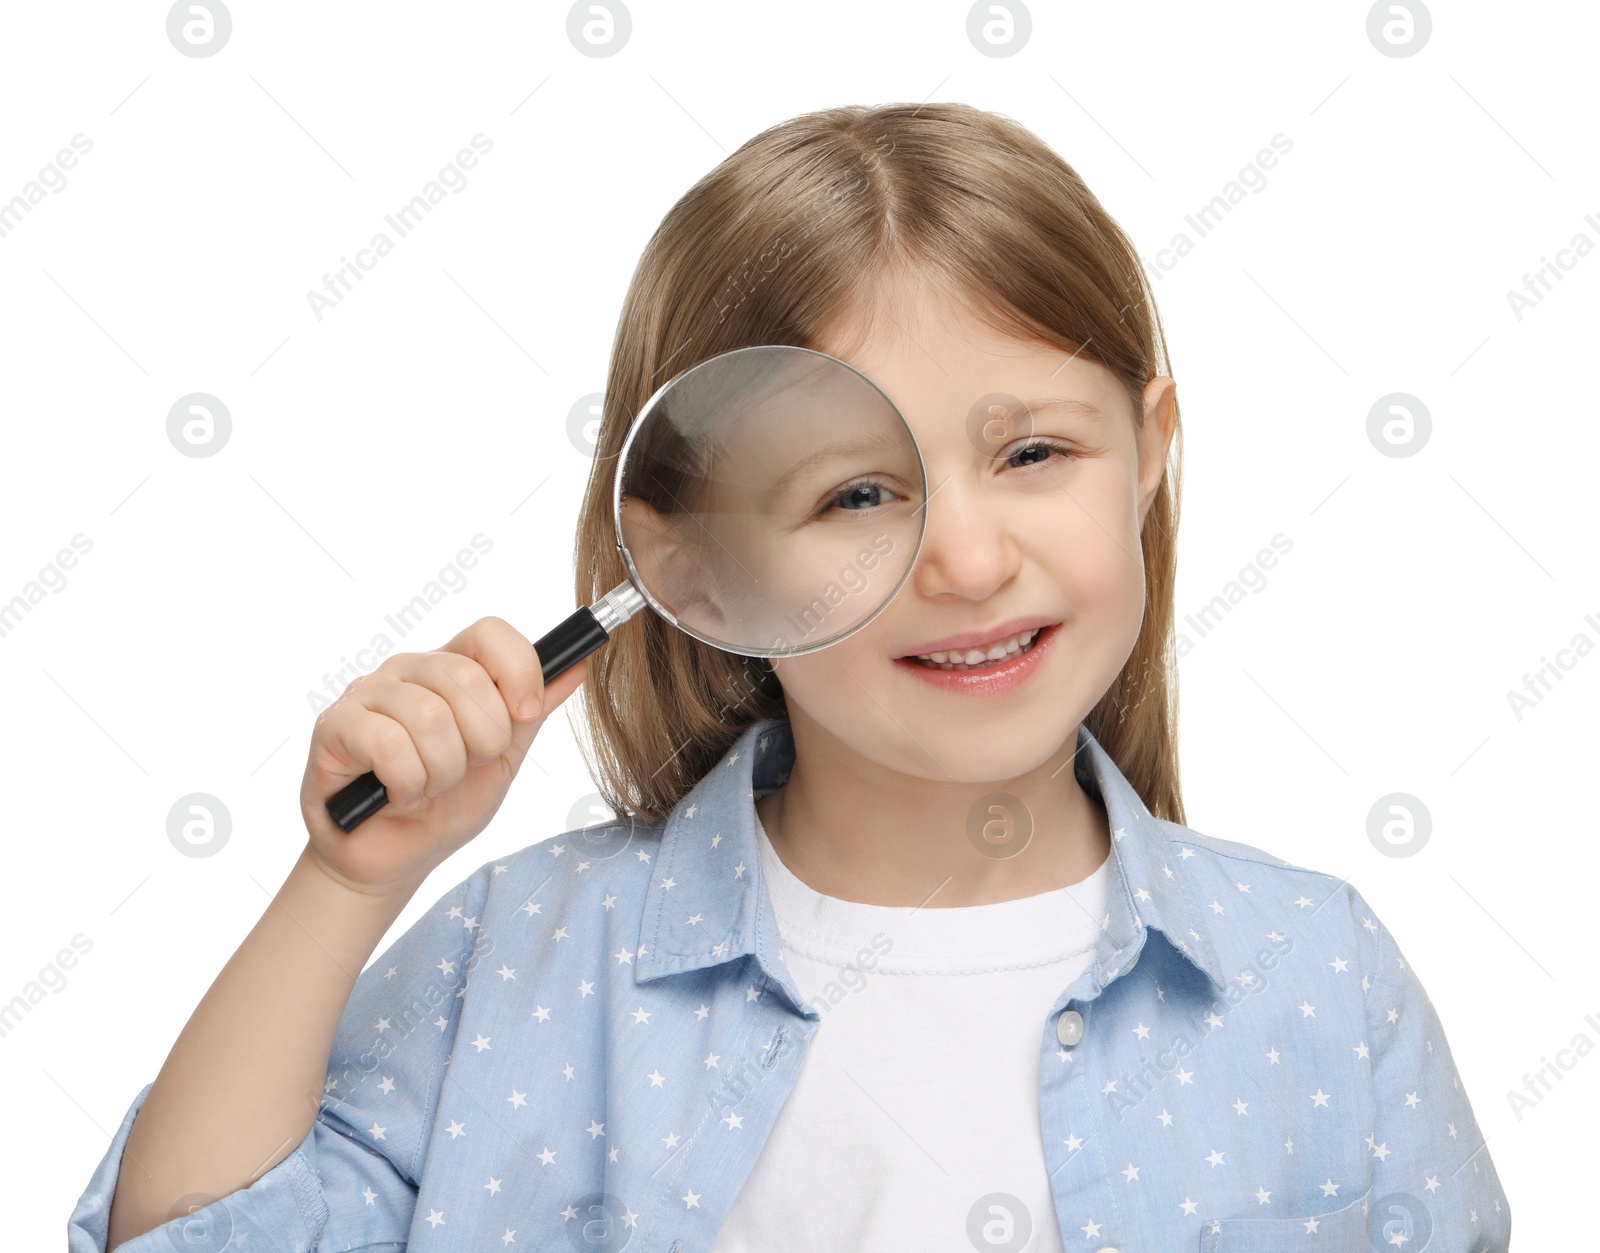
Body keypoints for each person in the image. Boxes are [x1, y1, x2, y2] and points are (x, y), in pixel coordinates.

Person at [71, 102, 1512, 1252]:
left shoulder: (1317, 977)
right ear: (695, 565)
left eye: (1031, 454)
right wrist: (345, 885)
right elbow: (198, 1237)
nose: (962, 558)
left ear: (1152, 449)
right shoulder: (528, 958)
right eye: (853, 494)